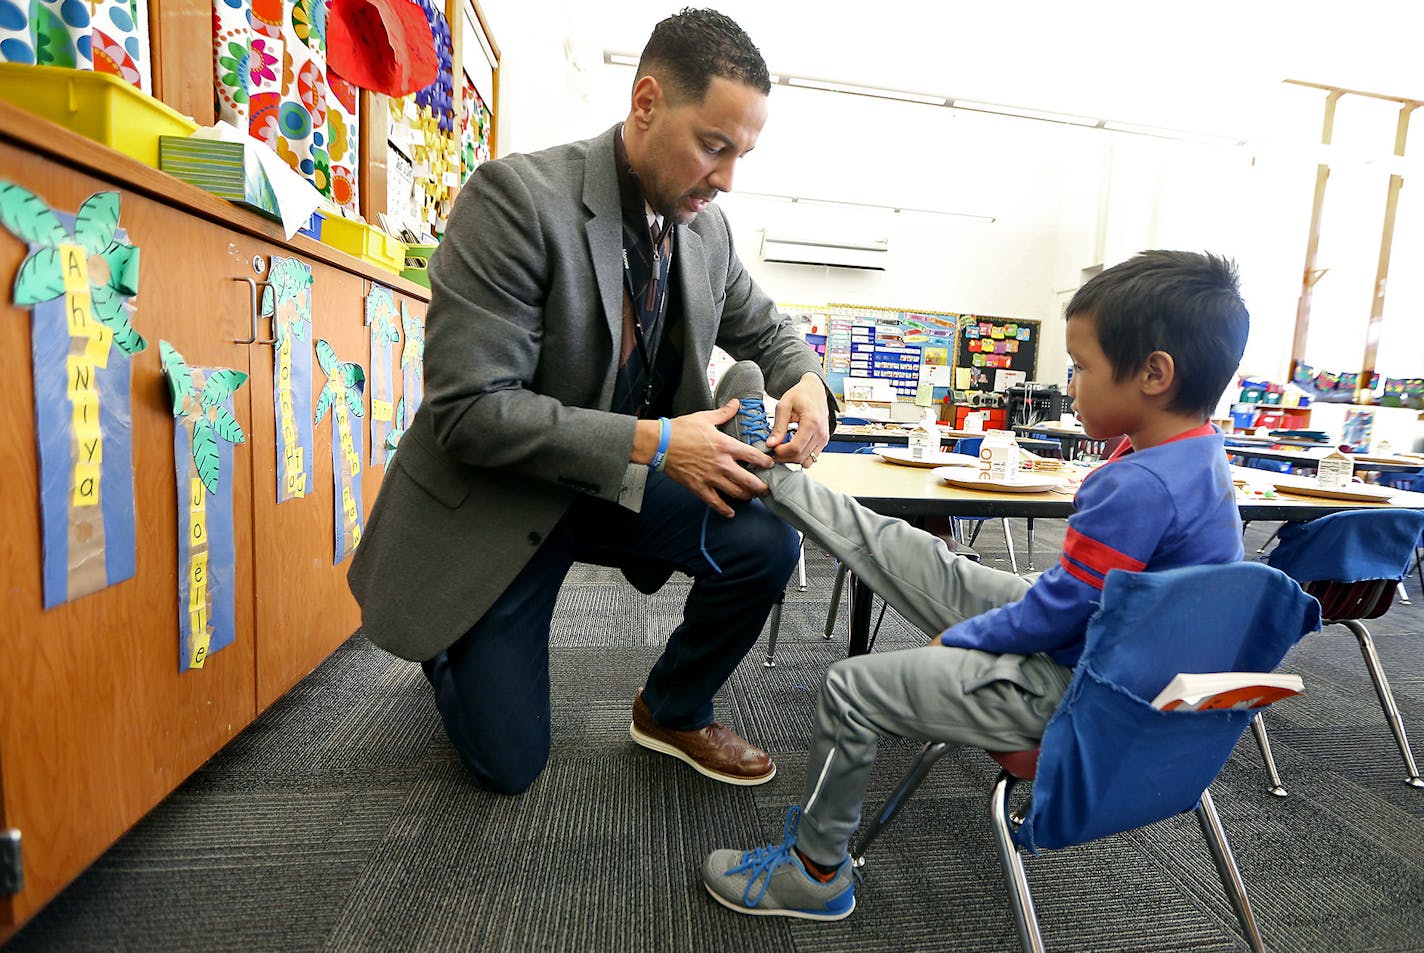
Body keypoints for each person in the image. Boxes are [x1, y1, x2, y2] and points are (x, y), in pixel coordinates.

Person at [348, 8, 836, 795]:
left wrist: (809, 383)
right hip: (504, 493)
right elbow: (470, 413)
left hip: (618, 483)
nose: (727, 178)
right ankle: (453, 634)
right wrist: (656, 443)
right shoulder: (514, 201)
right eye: (714, 146)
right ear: (646, 103)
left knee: (766, 537)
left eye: (742, 154)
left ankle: (673, 708)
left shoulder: (704, 231)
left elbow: (771, 330)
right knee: (508, 765)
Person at [699, 250, 1251, 920]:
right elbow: (1075, 600)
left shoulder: (1139, 485)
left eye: (1080, 367)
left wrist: (964, 638)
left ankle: (815, 872)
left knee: (851, 688)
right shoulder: (1196, 456)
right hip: (1104, 648)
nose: (1070, 385)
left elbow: (1057, 614)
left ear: (1154, 374)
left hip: (1082, 689)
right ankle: (776, 481)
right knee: (931, 558)